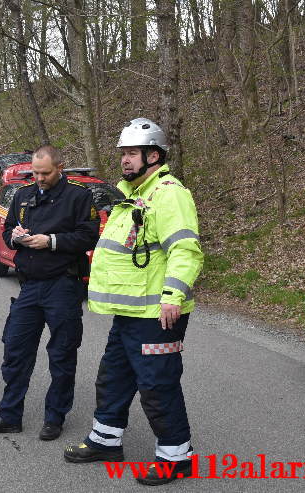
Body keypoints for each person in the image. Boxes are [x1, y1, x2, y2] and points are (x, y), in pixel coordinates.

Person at [63, 118, 204, 486]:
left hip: (156, 314)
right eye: (123, 153)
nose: (125, 160)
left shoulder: (169, 193)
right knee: (113, 378)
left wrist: (173, 295)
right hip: (129, 313)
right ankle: (106, 441)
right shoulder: (133, 195)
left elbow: (185, 250)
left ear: (153, 155)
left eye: (132, 153)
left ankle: (177, 456)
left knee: (157, 385)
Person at [0, 145, 99, 441]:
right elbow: (6, 231)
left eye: (45, 173)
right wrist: (15, 237)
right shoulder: (22, 195)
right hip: (29, 285)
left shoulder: (79, 196)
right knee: (15, 351)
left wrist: (51, 241)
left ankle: (54, 418)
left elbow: (89, 234)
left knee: (62, 354)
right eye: (36, 173)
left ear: (60, 167)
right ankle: (9, 415)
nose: (40, 178)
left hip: (63, 286)